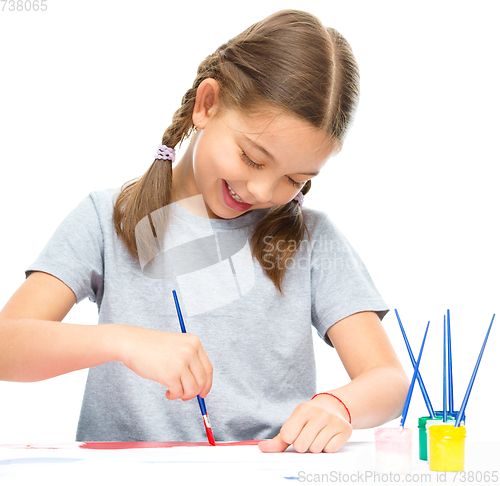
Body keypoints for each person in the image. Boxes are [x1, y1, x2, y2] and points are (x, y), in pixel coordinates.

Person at [0, 9, 408, 453]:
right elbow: (7, 345)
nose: (262, 190)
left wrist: (338, 406)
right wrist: (122, 341)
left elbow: (387, 380)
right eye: (253, 158)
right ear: (206, 105)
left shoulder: (313, 240)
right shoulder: (106, 218)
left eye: (295, 179)